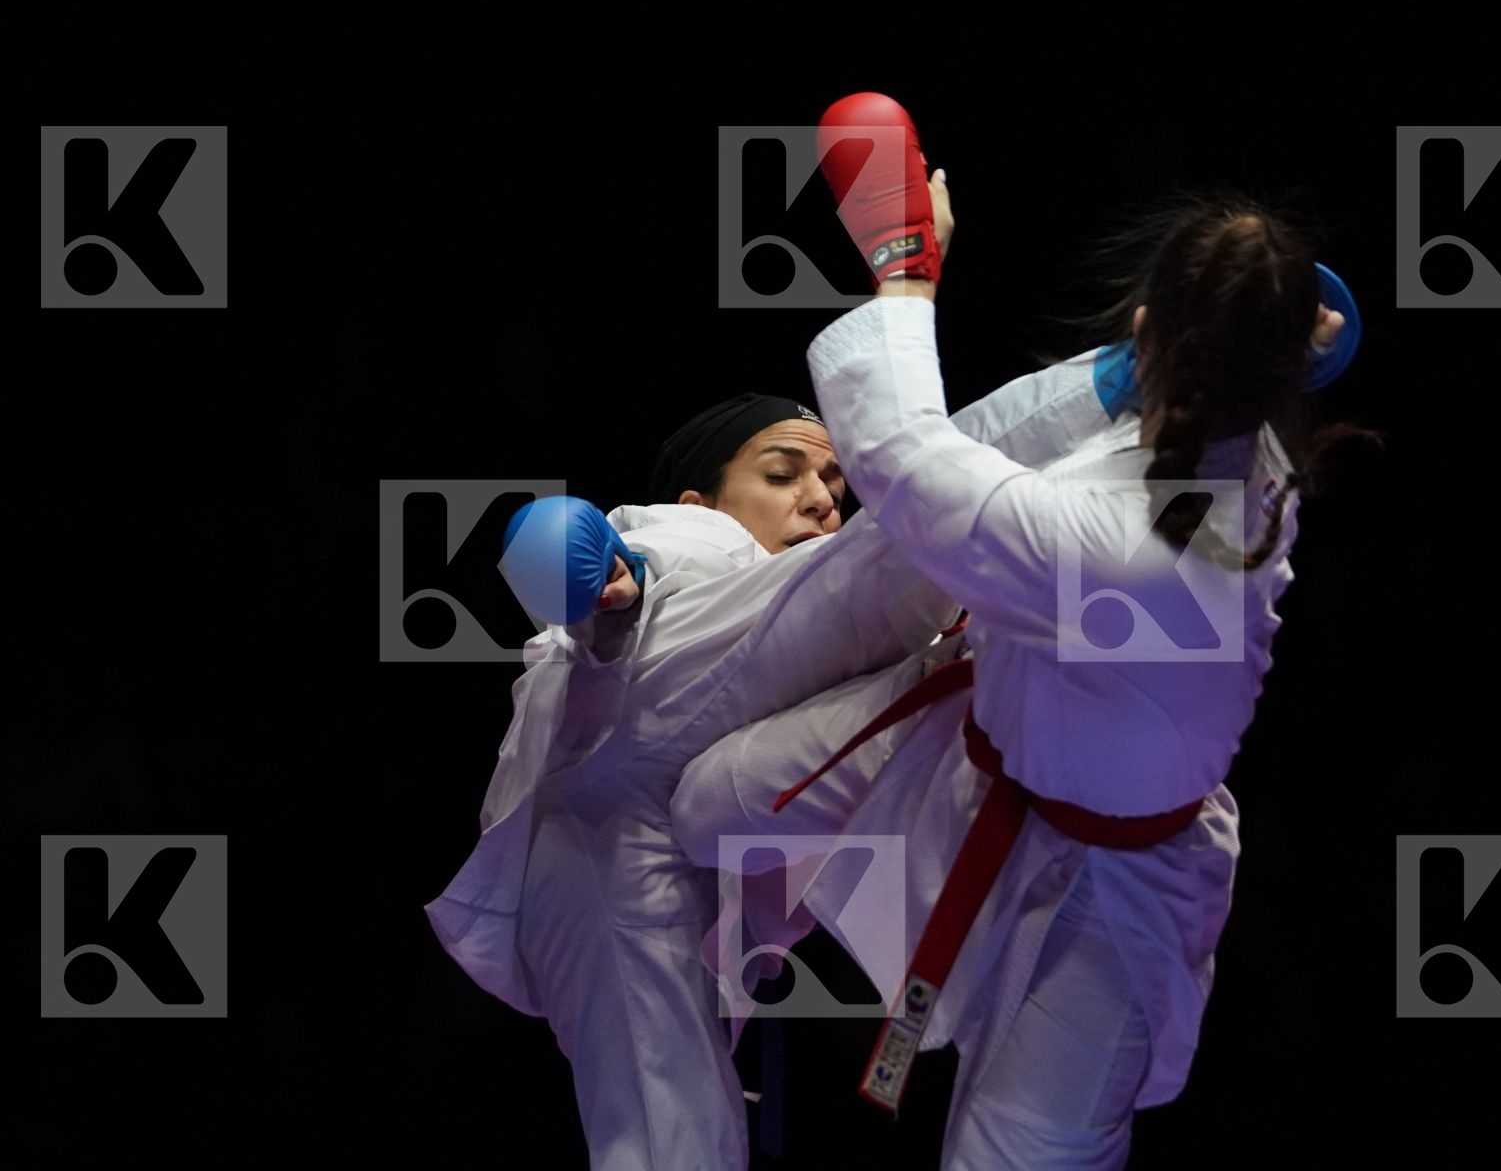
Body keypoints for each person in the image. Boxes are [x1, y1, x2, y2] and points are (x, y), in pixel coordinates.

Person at [670, 99, 1371, 1168]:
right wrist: (1222, 348)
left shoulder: (1111, 540)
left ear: (1143, 328)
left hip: (1111, 908)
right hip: (965, 757)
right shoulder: (1249, 445)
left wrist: (905, 262)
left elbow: (906, 461)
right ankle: (745, 972)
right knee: (711, 805)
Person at [427, 378, 1112, 1168]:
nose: (820, 499)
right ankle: (1138, 376)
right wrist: (612, 585)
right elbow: (631, 562)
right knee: (666, 1145)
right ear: (701, 499)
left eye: (830, 483)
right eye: (783, 475)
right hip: (602, 839)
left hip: (709, 856)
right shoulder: (695, 542)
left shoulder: (822, 626)